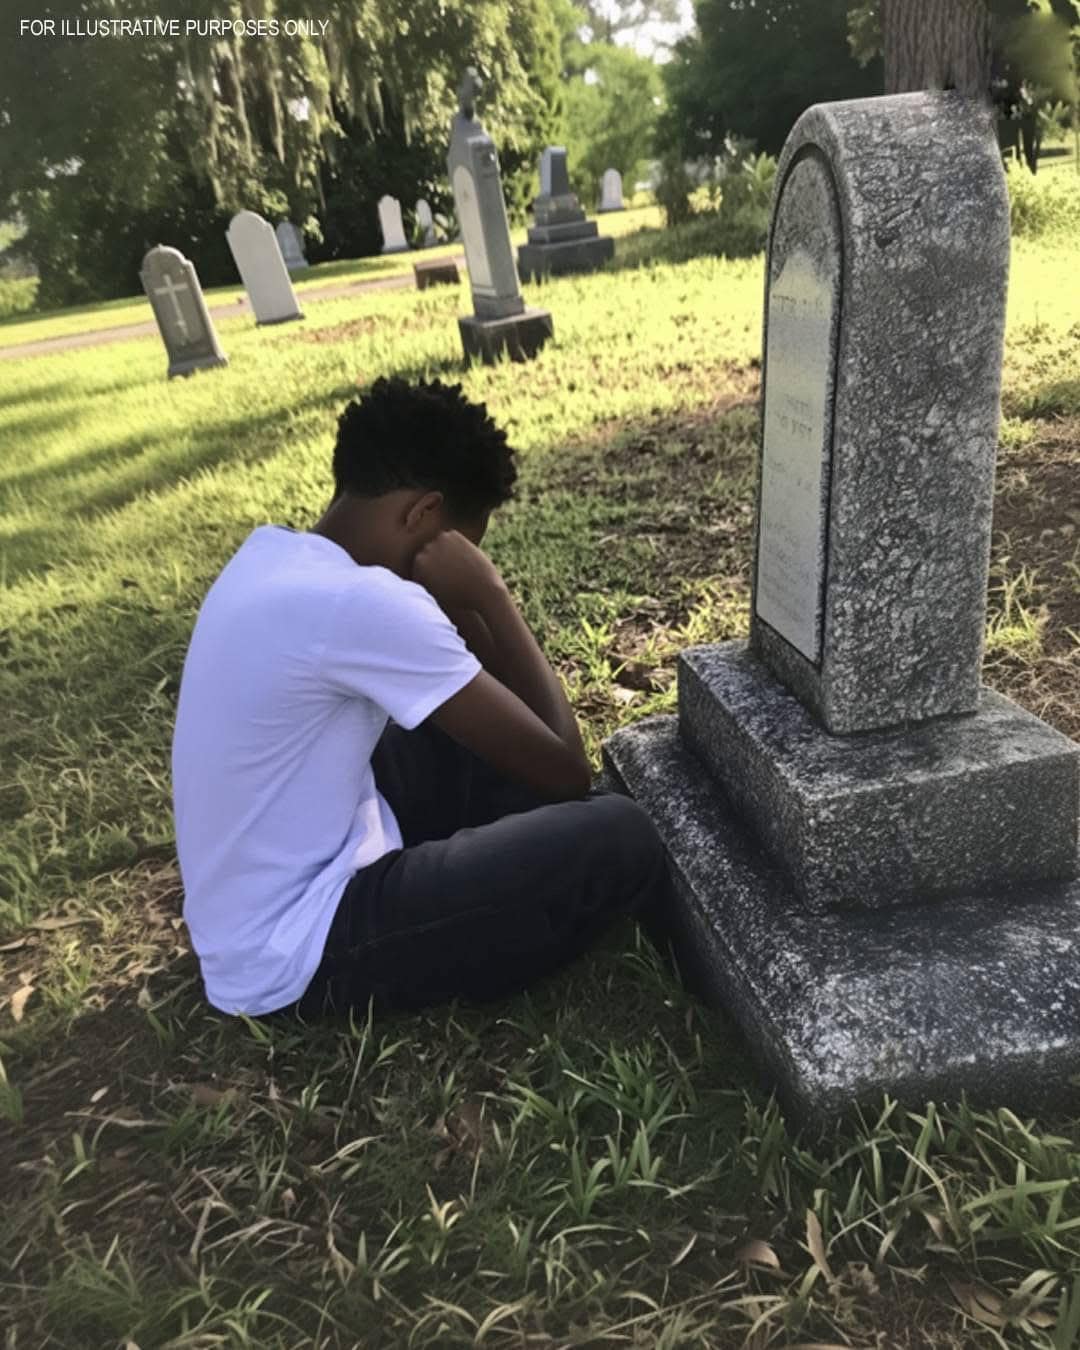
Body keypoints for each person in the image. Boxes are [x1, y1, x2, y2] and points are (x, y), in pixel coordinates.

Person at [171, 376, 668, 1018]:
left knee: (459, 728)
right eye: (466, 542)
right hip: (301, 950)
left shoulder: (274, 559)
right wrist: (491, 596)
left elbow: (506, 723)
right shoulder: (367, 604)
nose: (467, 559)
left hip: (256, 907)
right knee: (618, 834)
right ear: (422, 515)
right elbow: (568, 771)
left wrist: (457, 611)